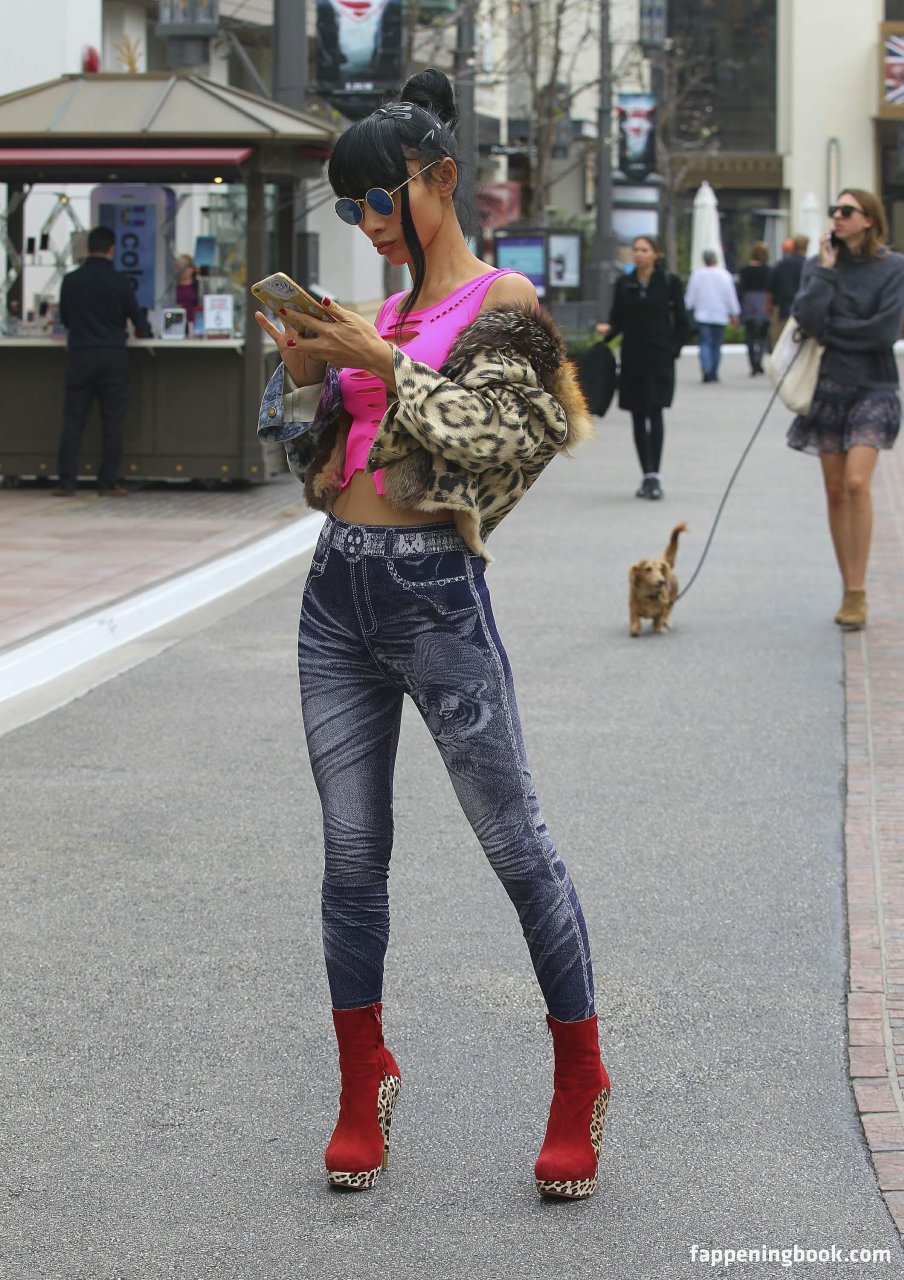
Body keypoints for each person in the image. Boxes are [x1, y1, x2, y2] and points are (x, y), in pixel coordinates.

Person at [254, 68, 610, 1199]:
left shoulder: (505, 301)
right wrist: (302, 376)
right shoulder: (384, 313)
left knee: (514, 844)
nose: (367, 223)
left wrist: (379, 361)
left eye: (379, 199)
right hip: (336, 596)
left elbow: (505, 435)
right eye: (349, 205)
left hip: (435, 596)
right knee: (350, 854)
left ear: (440, 180)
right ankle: (362, 1082)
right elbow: (312, 464)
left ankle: (580, 1076)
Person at [788, 189, 904, 630]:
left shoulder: (893, 267)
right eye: (834, 210)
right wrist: (826, 271)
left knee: (857, 482)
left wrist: (835, 331)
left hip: (875, 385)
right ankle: (851, 589)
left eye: (847, 211)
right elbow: (808, 321)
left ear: (869, 219)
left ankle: (858, 589)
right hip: (829, 388)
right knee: (835, 492)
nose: (837, 216)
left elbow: (883, 332)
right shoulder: (819, 265)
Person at [52, 225, 147, 497]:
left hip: (81, 356)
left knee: (73, 422)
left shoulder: (71, 281)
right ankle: (107, 482)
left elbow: (66, 319)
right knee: (112, 423)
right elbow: (139, 322)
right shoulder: (120, 282)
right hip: (112, 356)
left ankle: (67, 481)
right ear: (112, 249)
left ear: (88, 247)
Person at [595, 235, 689, 499]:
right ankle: (646, 475)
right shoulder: (625, 283)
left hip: (659, 359)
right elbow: (618, 320)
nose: (638, 254)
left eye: (644, 250)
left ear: (656, 254)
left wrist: (672, 350)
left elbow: (683, 323)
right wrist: (607, 332)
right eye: (636, 250)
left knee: (655, 412)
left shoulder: (669, 282)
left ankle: (655, 475)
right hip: (633, 358)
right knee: (637, 415)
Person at [684, 249, 740, 384]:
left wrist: (687, 308)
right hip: (720, 314)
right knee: (716, 344)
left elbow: (690, 296)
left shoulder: (697, 275)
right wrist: (734, 313)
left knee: (705, 343)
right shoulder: (724, 275)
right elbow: (730, 296)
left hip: (702, 315)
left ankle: (706, 368)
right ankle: (713, 371)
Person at [767, 233, 808, 348]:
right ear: (806, 247)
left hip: (782, 308)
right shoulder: (809, 265)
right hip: (803, 309)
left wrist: (768, 305)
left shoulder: (780, 265)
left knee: (780, 344)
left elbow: (770, 288)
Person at [738, 241, 771, 376]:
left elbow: (741, 288)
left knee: (750, 335)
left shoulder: (745, 269)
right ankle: (759, 359)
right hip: (763, 301)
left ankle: (753, 363)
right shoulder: (768, 270)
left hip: (749, 301)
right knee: (762, 334)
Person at [175, 254, 200, 325]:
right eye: (180, 266)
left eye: (186, 267)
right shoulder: (172, 288)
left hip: (196, 324)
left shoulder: (199, 286)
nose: (183, 270)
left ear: (192, 269)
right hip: (177, 323)